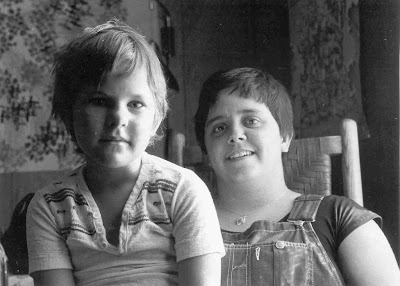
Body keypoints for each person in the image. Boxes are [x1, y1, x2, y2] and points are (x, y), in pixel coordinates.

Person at [26, 19, 224, 286]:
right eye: (99, 101)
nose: (118, 118)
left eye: (135, 104)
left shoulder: (183, 190)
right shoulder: (50, 205)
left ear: (156, 119)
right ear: (69, 114)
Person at [194, 67, 400, 285]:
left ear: (285, 137)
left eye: (251, 120)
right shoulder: (183, 226)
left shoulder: (339, 218)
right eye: (219, 128)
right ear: (206, 152)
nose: (235, 135)